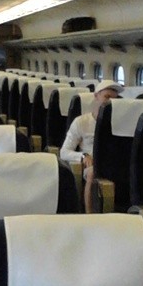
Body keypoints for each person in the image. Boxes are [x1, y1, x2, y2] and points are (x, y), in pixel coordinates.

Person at [59, 80, 125, 213]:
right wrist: (82, 156)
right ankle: (89, 214)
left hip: (115, 164)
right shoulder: (81, 122)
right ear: (96, 96)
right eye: (107, 97)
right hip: (92, 164)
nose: (110, 102)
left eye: (114, 99)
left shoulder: (122, 124)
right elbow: (64, 152)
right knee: (92, 172)